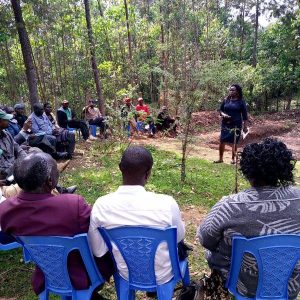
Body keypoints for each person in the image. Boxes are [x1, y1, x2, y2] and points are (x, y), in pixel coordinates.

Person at [0, 152, 114, 298]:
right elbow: (94, 234)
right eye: (56, 172)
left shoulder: (5, 210)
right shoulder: (73, 205)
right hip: (82, 272)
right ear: (49, 181)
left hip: (47, 271)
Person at [198, 138, 300, 299]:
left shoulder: (229, 206)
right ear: (285, 168)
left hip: (242, 286)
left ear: (247, 171)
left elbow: (205, 239)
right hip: (289, 285)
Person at [88, 146, 186, 292]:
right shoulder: (167, 203)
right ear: (148, 174)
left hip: (125, 274)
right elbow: (179, 237)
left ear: (120, 168)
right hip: (162, 275)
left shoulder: (101, 205)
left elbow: (99, 251)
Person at [214, 84, 248, 164]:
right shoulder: (226, 100)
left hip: (236, 124)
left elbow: (245, 115)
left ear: (237, 92)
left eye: (233, 90)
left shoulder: (241, 102)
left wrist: (245, 127)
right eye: (230, 90)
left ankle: (233, 159)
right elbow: (220, 110)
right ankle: (220, 158)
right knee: (222, 140)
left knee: (234, 141)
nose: (231, 91)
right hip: (225, 123)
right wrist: (223, 114)